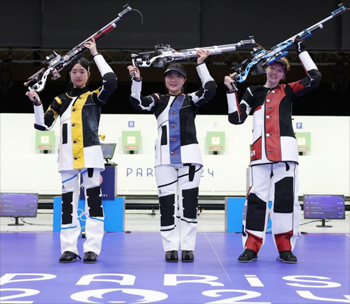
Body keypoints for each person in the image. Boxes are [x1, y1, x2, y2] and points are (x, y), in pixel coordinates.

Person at [224, 36, 321, 263]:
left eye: (280, 69)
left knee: (285, 201)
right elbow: (236, 119)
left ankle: (284, 247)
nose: (275, 72)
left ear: (284, 74)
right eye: (272, 67)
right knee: (256, 200)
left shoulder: (289, 90)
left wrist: (302, 51)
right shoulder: (252, 91)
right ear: (266, 69)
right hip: (259, 156)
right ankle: (252, 247)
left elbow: (315, 78)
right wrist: (230, 91)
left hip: (286, 155)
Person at [26, 38, 118, 264]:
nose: (77, 75)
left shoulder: (95, 97)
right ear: (69, 75)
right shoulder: (59, 99)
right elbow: (43, 126)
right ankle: (68, 248)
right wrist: (37, 103)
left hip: (91, 158)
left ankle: (92, 249)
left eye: (82, 71)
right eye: (74, 71)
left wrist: (96, 54)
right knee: (68, 204)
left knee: (93, 202)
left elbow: (112, 81)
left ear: (88, 74)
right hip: (67, 159)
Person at [127, 49, 216, 262]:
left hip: (190, 159)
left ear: (184, 80)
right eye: (169, 76)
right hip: (163, 160)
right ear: (165, 79)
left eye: (177, 76)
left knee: (189, 203)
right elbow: (136, 102)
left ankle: (187, 247)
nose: (173, 79)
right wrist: (137, 80)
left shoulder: (191, 99)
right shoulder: (158, 100)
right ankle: (169, 247)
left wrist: (201, 64)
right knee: (166, 204)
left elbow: (211, 89)